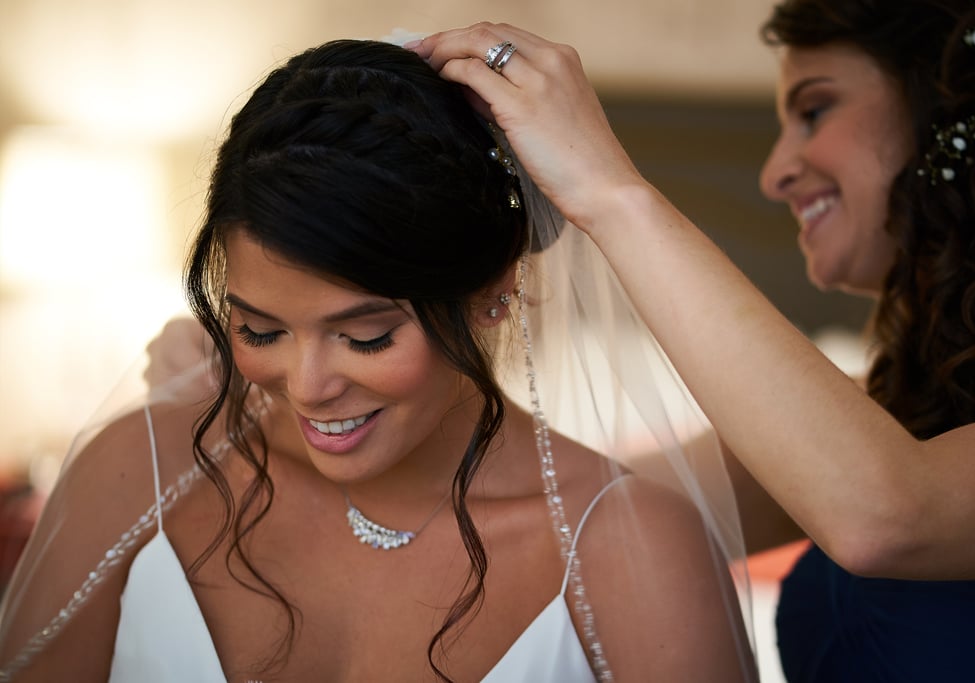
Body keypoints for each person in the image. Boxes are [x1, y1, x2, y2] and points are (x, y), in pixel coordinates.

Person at [0, 39, 755, 682]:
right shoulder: (140, 470)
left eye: (365, 337)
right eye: (262, 330)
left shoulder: (630, 551)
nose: (309, 386)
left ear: (493, 294)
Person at [408, 0, 975, 680]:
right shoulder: (869, 415)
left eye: (814, 110)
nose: (774, 173)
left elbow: (889, 515)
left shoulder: (880, 468)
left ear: (946, 112)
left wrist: (609, 189)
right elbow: (581, 513)